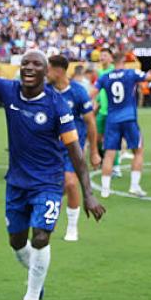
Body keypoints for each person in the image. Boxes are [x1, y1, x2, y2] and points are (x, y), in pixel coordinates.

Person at [0, 2, 104, 300]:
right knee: (17, 241)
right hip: (17, 182)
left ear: (46, 72)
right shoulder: (9, 91)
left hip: (48, 182)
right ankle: (37, 276)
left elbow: (75, 150)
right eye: (25, 64)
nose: (30, 68)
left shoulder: (57, 104)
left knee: (41, 237)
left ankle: (31, 298)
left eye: (36, 64)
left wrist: (88, 193)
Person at [47, 55, 99, 241]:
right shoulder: (45, 91)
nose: (45, 73)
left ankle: (72, 228)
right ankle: (47, 220)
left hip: (73, 148)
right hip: (51, 148)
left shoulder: (78, 92)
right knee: (54, 188)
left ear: (59, 71)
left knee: (70, 183)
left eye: (48, 69)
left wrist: (94, 151)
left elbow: (90, 122)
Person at [92, 56, 151, 198]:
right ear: (124, 62)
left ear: (113, 62)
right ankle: (134, 186)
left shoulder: (105, 77)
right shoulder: (131, 73)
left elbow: (91, 93)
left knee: (109, 154)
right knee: (138, 151)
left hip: (112, 119)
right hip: (129, 118)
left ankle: (105, 190)